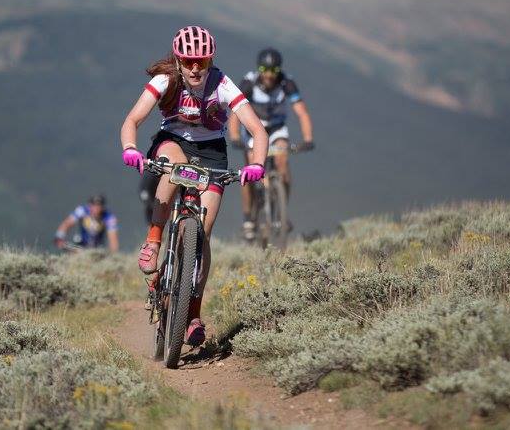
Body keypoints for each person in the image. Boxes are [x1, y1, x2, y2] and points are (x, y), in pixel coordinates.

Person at [120, 25, 269, 347]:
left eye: (201, 60)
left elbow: (258, 131)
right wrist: (130, 149)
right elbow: (132, 120)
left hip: (212, 152)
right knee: (173, 168)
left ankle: (193, 315)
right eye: (188, 61)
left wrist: (256, 164)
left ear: (210, 58)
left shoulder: (223, 84)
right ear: (178, 59)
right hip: (172, 142)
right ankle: (154, 238)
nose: (195, 68)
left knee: (203, 234)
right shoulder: (165, 81)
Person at [228, 47, 314, 242]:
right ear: (258, 69)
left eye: (273, 70)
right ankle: (248, 218)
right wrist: (234, 136)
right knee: (250, 168)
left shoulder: (287, 82)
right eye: (264, 69)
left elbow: (301, 111)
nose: (268, 75)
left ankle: (281, 211)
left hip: (276, 129)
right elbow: (234, 112)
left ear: (279, 70)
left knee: (283, 159)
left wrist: (307, 138)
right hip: (253, 130)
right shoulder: (249, 82)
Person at [53, 194, 119, 252]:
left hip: (96, 249)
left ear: (102, 207)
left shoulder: (109, 217)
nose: (96, 208)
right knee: (68, 246)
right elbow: (67, 223)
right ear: (90, 205)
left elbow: (113, 239)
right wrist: (59, 236)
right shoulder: (82, 210)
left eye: (99, 206)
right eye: (94, 205)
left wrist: (113, 255)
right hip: (80, 245)